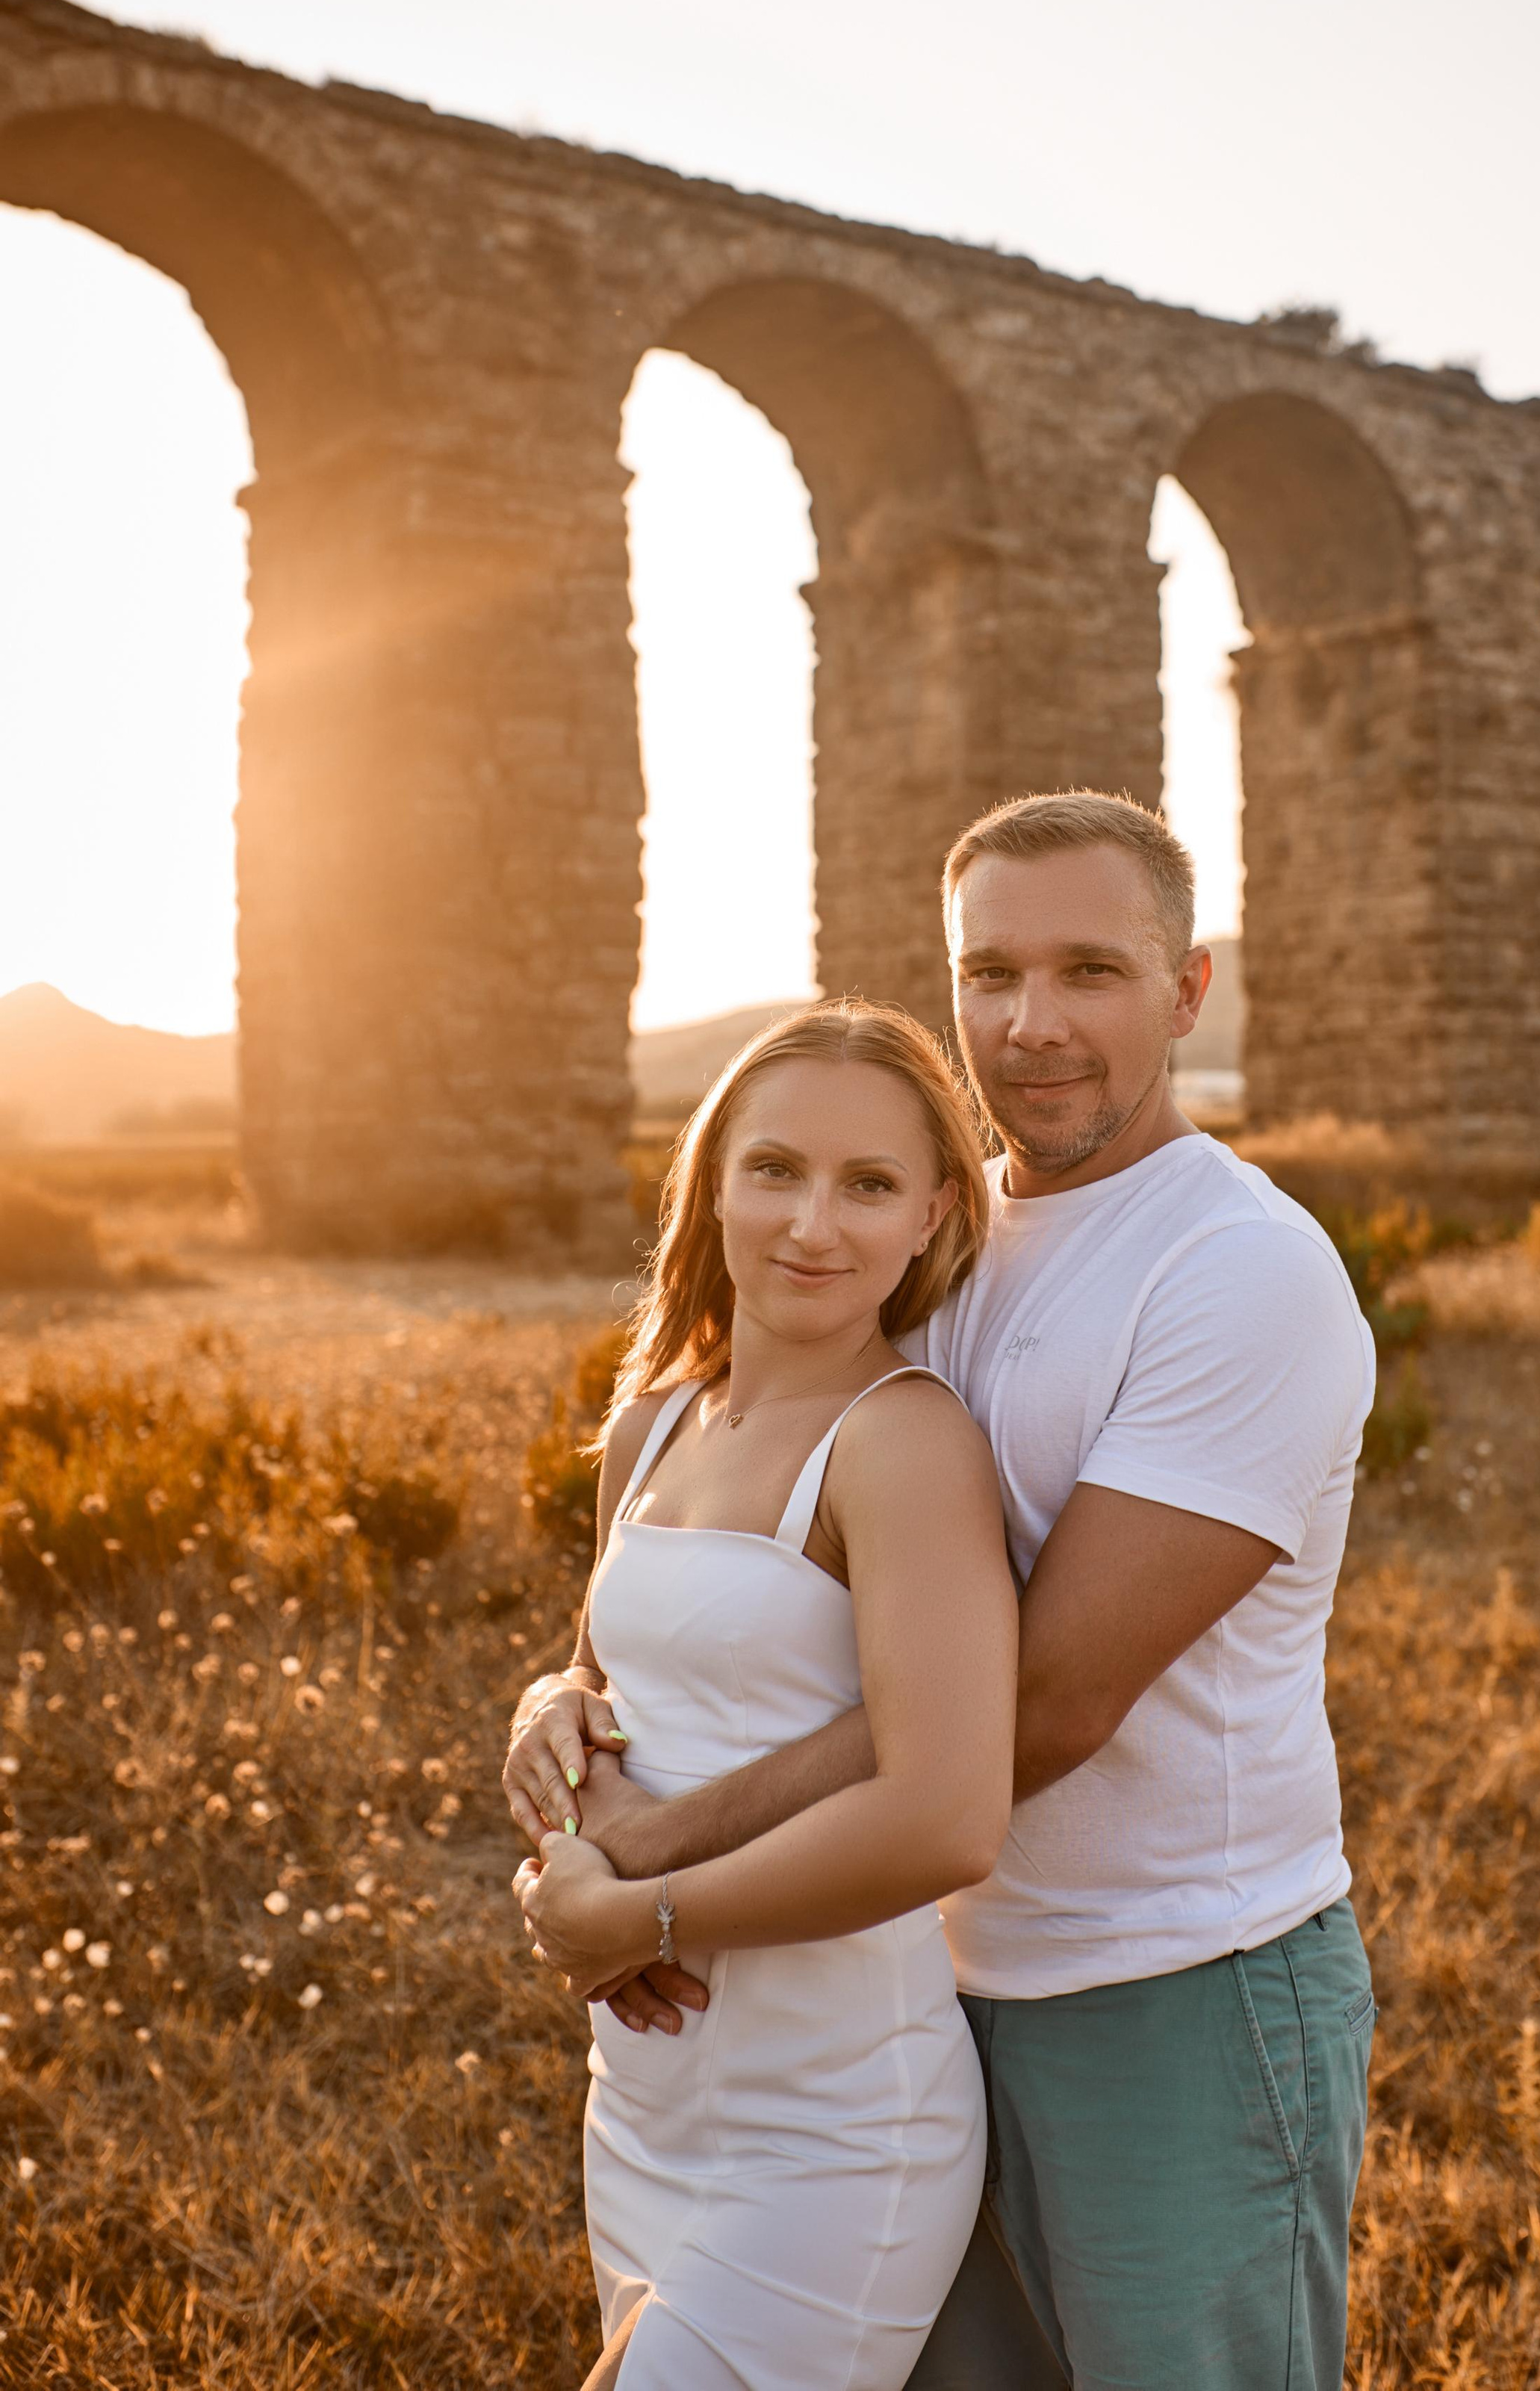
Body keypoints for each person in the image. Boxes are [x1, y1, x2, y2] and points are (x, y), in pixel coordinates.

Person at [516, 790, 1378, 2391]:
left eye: (1089, 974)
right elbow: (777, 1569)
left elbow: (1031, 1704)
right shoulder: (939, 1231)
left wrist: (648, 1864)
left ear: (1188, 990)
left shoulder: (1237, 1268)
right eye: (989, 974)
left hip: (1166, 1984)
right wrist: (570, 1702)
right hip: (907, 1978)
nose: (1030, 1025)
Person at [504, 1002, 1018, 2391]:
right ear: (712, 1180)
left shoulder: (906, 1444)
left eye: (869, 1186)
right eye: (776, 1169)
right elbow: (617, 1678)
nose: (813, 1225)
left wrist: (642, 1913)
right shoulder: (652, 1419)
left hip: (835, 2124)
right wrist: (546, 1709)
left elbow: (947, 1817)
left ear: (931, 1219)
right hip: (648, 2103)